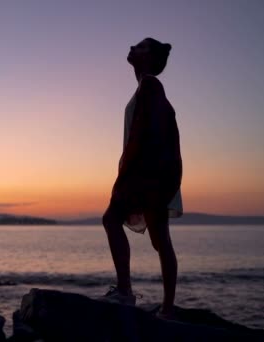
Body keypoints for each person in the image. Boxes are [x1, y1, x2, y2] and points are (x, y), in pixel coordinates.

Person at [101, 37, 183, 320]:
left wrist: (126, 170)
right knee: (161, 239)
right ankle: (168, 308)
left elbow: (147, 131)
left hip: (146, 173)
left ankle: (125, 291)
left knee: (112, 219)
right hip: (153, 173)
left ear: (148, 58)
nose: (133, 48)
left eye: (140, 46)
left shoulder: (150, 85)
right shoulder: (145, 87)